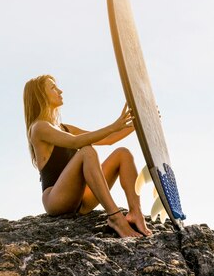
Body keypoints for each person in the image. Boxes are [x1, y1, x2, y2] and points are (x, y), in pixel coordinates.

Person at [23, 74, 152, 238]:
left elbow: (108, 140)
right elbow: (77, 143)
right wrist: (114, 126)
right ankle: (115, 217)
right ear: (40, 95)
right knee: (87, 151)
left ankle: (136, 213)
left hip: (81, 200)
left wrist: (141, 122)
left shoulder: (64, 128)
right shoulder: (39, 127)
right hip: (56, 200)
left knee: (123, 154)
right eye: (53, 88)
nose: (60, 91)